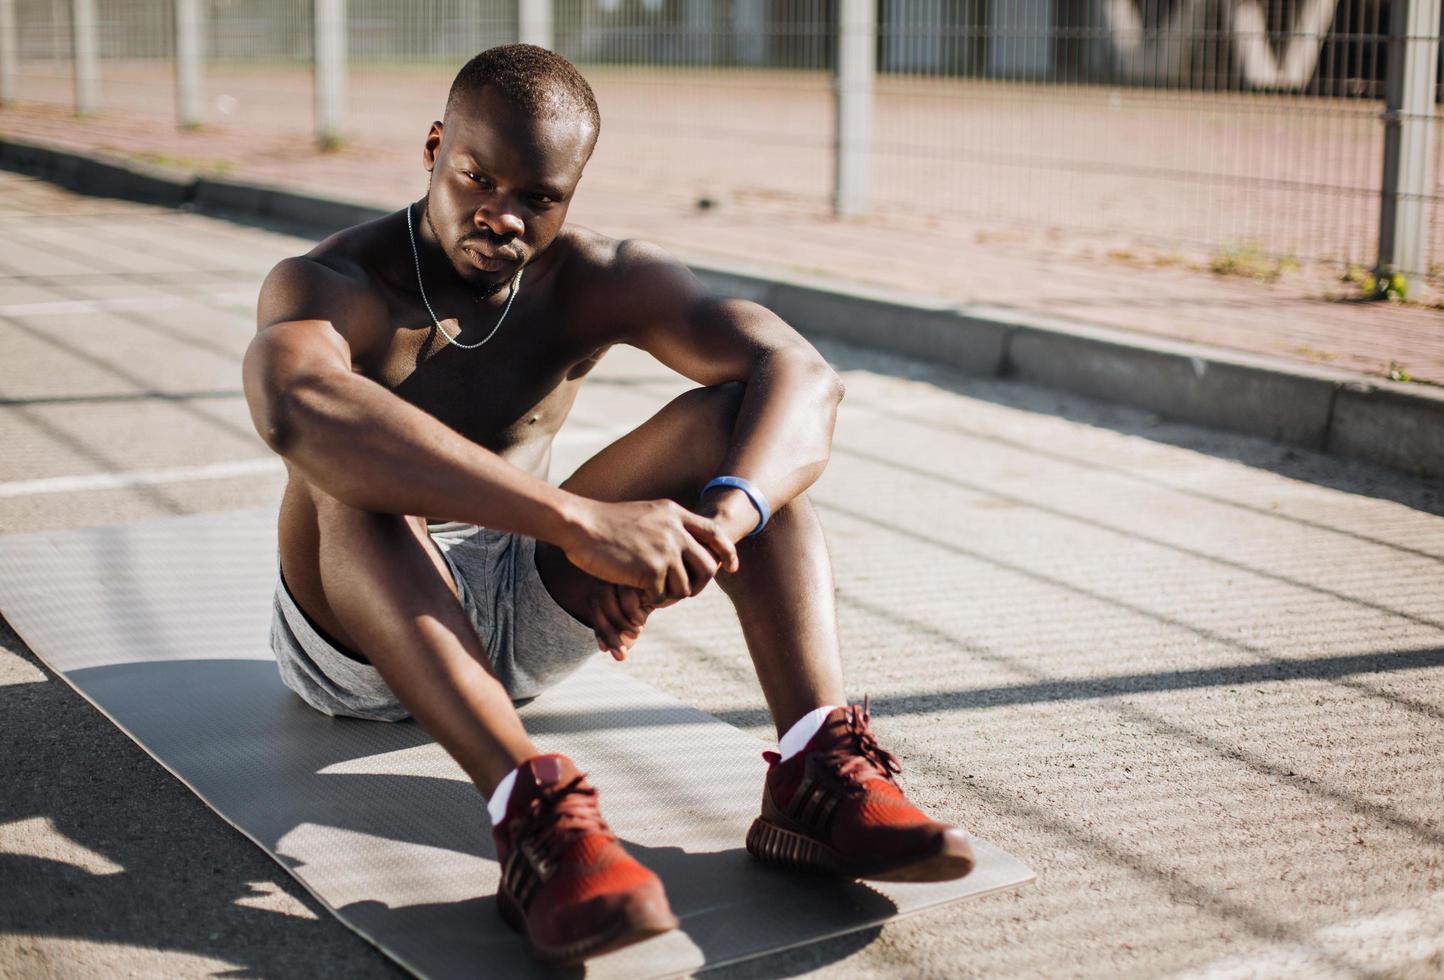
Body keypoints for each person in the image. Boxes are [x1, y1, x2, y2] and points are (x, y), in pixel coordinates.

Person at [243, 44, 974, 964]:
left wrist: (712, 532)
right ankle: (536, 822)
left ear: (571, 196)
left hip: (525, 606)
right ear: (435, 147)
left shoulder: (592, 278)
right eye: (477, 177)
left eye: (537, 198)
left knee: (738, 420)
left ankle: (812, 774)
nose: (502, 214)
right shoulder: (332, 283)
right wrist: (583, 525)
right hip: (356, 633)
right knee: (353, 462)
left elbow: (801, 373)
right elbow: (294, 408)